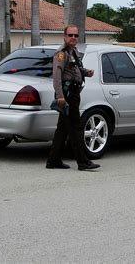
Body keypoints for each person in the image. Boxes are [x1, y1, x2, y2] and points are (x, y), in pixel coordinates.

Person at [46, 24, 100, 171]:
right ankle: (83, 162)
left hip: (74, 93)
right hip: (67, 95)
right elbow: (57, 76)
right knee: (76, 128)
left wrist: (85, 72)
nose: (73, 38)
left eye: (76, 35)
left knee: (62, 129)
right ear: (64, 36)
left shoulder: (73, 52)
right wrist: (60, 96)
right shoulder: (61, 53)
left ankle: (53, 160)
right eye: (70, 35)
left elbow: (74, 69)